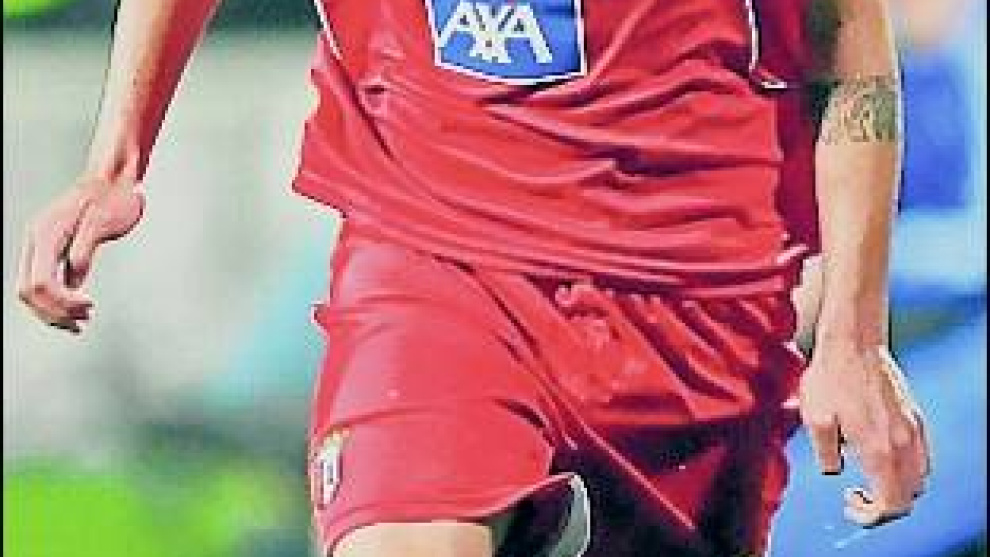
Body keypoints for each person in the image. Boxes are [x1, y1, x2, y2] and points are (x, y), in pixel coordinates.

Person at [15, 0, 931, 555]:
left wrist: (853, 339)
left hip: (691, 310)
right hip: (432, 262)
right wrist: (115, 160)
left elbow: (848, 47)